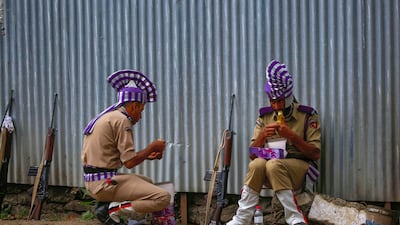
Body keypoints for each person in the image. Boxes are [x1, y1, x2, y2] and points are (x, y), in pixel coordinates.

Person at [227, 60, 321, 225]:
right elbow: (252, 154)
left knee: (273, 165)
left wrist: (292, 136)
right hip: (272, 170)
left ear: (289, 98)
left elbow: (315, 153)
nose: (275, 105)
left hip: (300, 170)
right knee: (257, 165)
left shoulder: (307, 116)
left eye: (279, 101)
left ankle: (295, 218)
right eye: (272, 101)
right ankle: (241, 218)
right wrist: (262, 136)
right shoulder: (264, 116)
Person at [81, 70, 171, 225]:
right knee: (163, 197)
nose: (140, 117)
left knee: (148, 182)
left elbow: (119, 157)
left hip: (96, 181)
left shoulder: (109, 117)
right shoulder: (122, 121)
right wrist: (152, 147)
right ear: (134, 106)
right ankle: (112, 210)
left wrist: (147, 155)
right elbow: (129, 163)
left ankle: (107, 205)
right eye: (141, 111)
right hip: (103, 184)